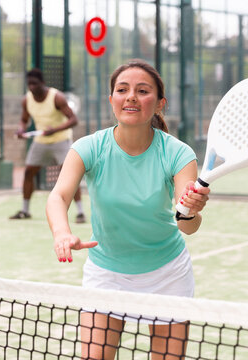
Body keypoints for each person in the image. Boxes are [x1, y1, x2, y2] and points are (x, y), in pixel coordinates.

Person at [46, 59, 210, 360]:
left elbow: (187, 224)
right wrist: (62, 233)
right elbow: (58, 196)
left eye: (142, 90)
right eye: (122, 90)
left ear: (160, 103)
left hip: (167, 275)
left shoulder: (178, 153)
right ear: (112, 100)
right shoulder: (88, 148)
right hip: (106, 273)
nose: (131, 96)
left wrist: (190, 211)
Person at [10, 68, 85, 223]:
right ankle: (25, 210)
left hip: (61, 140)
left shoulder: (57, 97)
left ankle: (80, 212)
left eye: (35, 84)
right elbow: (24, 119)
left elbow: (73, 120)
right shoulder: (27, 100)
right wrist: (21, 129)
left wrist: (55, 130)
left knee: (69, 176)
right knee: (29, 172)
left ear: (42, 83)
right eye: (29, 84)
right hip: (40, 141)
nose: (32, 87)